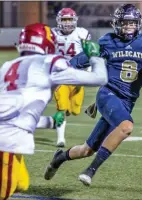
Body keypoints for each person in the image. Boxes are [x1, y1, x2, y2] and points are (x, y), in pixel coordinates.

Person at [0, 23, 108, 200]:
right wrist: (95, 57)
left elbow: (17, 110)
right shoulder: (51, 62)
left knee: (20, 183)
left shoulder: (8, 66)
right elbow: (100, 78)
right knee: (0, 192)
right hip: (7, 139)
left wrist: (48, 121)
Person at [44, 4, 142, 186]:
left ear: (138, 24)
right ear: (117, 23)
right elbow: (81, 60)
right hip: (108, 94)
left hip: (127, 102)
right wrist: (60, 70)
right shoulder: (108, 41)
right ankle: (90, 171)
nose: (129, 26)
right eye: (125, 22)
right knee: (126, 127)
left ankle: (59, 158)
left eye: (132, 23)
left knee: (87, 149)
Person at [52, 7, 91, 147]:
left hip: (77, 75)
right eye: (64, 20)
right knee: (61, 108)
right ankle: (60, 139)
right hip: (59, 75)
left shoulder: (82, 33)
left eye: (69, 20)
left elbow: (89, 53)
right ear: (58, 21)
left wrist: (89, 69)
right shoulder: (52, 34)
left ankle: (66, 111)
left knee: (74, 110)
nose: (67, 23)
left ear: (75, 21)